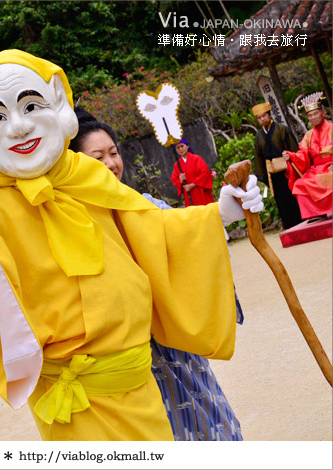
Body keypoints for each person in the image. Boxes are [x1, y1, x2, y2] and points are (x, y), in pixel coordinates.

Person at [0, 49, 263, 441]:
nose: (19, 127)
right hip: (73, 398)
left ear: (58, 101)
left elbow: (151, 227)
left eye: (31, 105)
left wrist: (219, 213)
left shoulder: (87, 174)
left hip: (137, 383)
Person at [69, 107, 243, 440]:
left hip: (172, 345)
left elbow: (178, 231)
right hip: (124, 359)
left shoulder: (141, 204)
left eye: (113, 153)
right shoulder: (71, 222)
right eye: (97, 157)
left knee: (212, 426)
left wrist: (218, 214)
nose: (110, 163)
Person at [282, 92, 333, 221]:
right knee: (300, 183)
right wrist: (291, 156)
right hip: (317, 169)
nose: (313, 117)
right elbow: (302, 154)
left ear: (323, 113)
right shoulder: (308, 136)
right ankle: (316, 212)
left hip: (331, 166)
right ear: (308, 118)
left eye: (315, 113)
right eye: (310, 115)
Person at [252, 102, 302, 229]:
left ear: (269, 115)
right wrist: (261, 177)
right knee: (280, 200)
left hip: (287, 170)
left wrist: (291, 157)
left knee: (292, 196)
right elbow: (258, 157)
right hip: (272, 174)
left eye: (264, 116)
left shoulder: (282, 129)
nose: (262, 119)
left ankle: (301, 224)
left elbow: (293, 149)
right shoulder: (259, 136)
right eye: (259, 117)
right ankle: (289, 227)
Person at [170, 138, 214, 207]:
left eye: (182, 146)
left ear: (187, 146)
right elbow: (174, 179)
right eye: (178, 147)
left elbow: (204, 172)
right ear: (176, 150)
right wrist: (181, 180)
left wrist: (193, 184)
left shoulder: (197, 158)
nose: (180, 149)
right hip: (188, 194)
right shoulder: (177, 165)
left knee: (206, 211)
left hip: (200, 190)